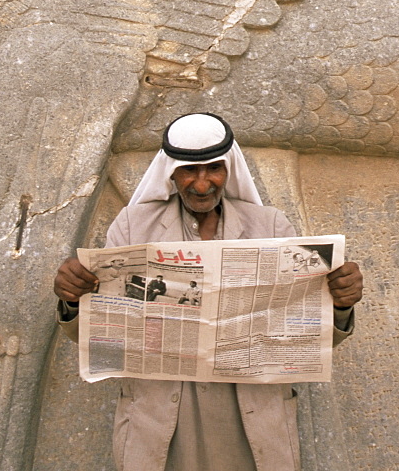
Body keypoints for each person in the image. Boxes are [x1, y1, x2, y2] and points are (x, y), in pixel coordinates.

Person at [54, 113, 363, 471]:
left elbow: (303, 339)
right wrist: (74, 300)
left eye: (213, 169)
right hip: (162, 422)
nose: (202, 185)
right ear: (171, 172)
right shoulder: (131, 226)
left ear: (228, 168)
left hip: (251, 421)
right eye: (189, 171)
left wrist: (340, 305)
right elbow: (106, 338)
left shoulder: (271, 226)